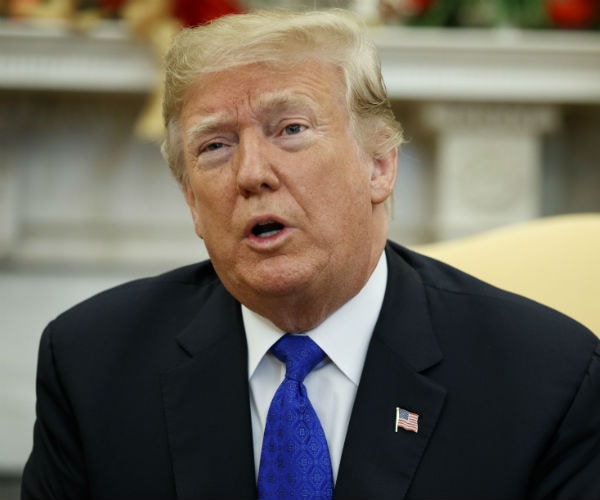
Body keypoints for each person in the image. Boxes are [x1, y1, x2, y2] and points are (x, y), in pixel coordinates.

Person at [21, 9, 600, 500]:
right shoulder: (92, 365)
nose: (251, 174)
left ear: (380, 165)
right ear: (192, 201)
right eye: (216, 146)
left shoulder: (548, 381)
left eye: (291, 128)